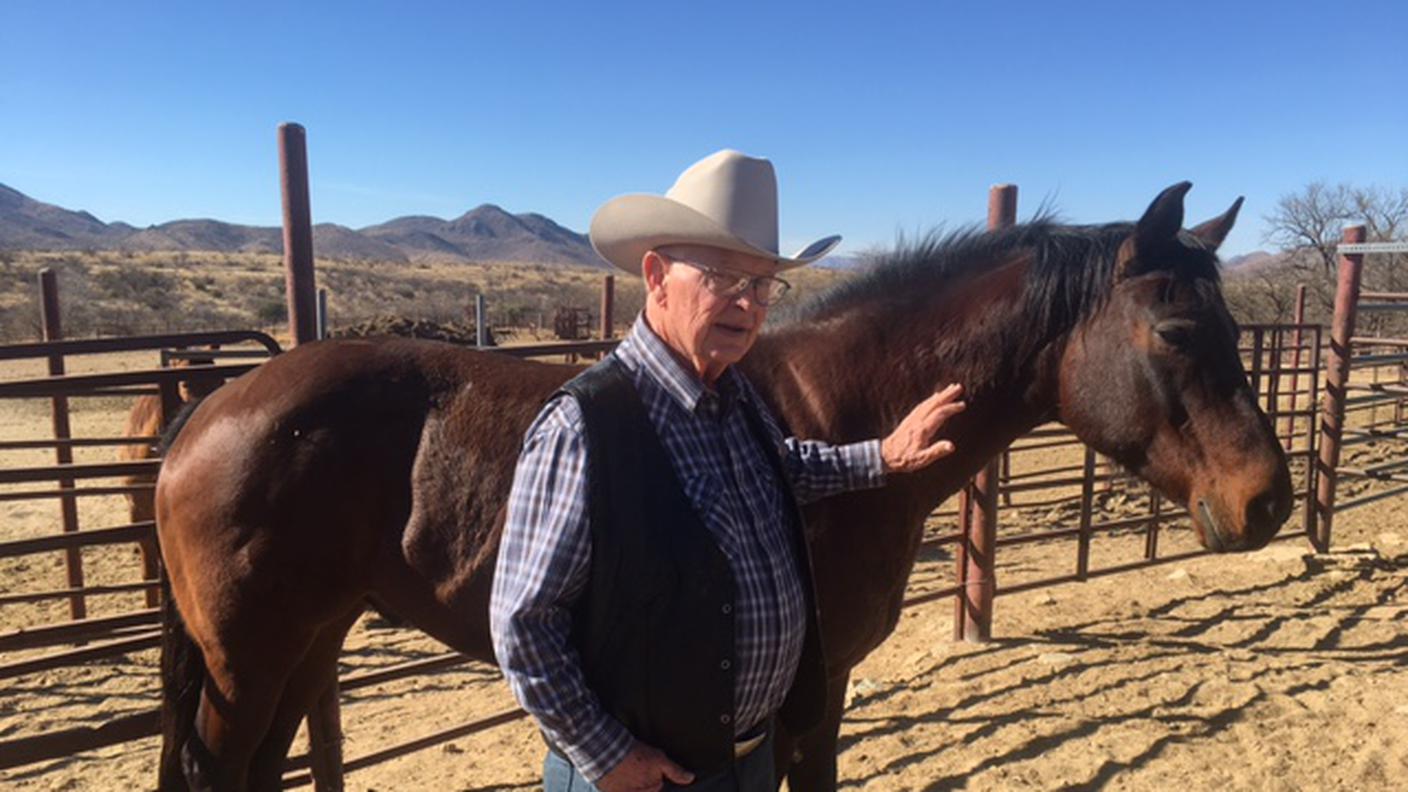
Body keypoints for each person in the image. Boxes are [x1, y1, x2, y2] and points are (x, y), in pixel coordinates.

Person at [490, 150, 966, 792]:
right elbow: (523, 622)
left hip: (747, 758)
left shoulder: (735, 399)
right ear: (656, 275)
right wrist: (605, 755)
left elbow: (782, 470)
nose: (748, 303)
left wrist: (880, 456)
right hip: (646, 776)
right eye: (722, 277)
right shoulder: (586, 426)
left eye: (764, 285)